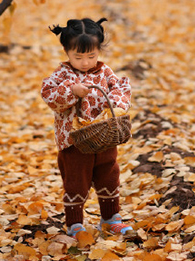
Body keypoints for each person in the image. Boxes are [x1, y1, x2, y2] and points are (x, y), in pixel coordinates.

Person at [41, 17, 133, 237]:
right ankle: (75, 224)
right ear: (66, 52)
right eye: (78, 56)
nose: (84, 62)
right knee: (76, 180)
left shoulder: (105, 72)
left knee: (109, 175)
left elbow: (121, 90)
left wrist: (115, 106)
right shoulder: (62, 74)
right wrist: (72, 91)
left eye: (91, 56)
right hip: (74, 141)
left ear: (98, 50)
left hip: (103, 135)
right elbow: (49, 95)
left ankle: (111, 219)